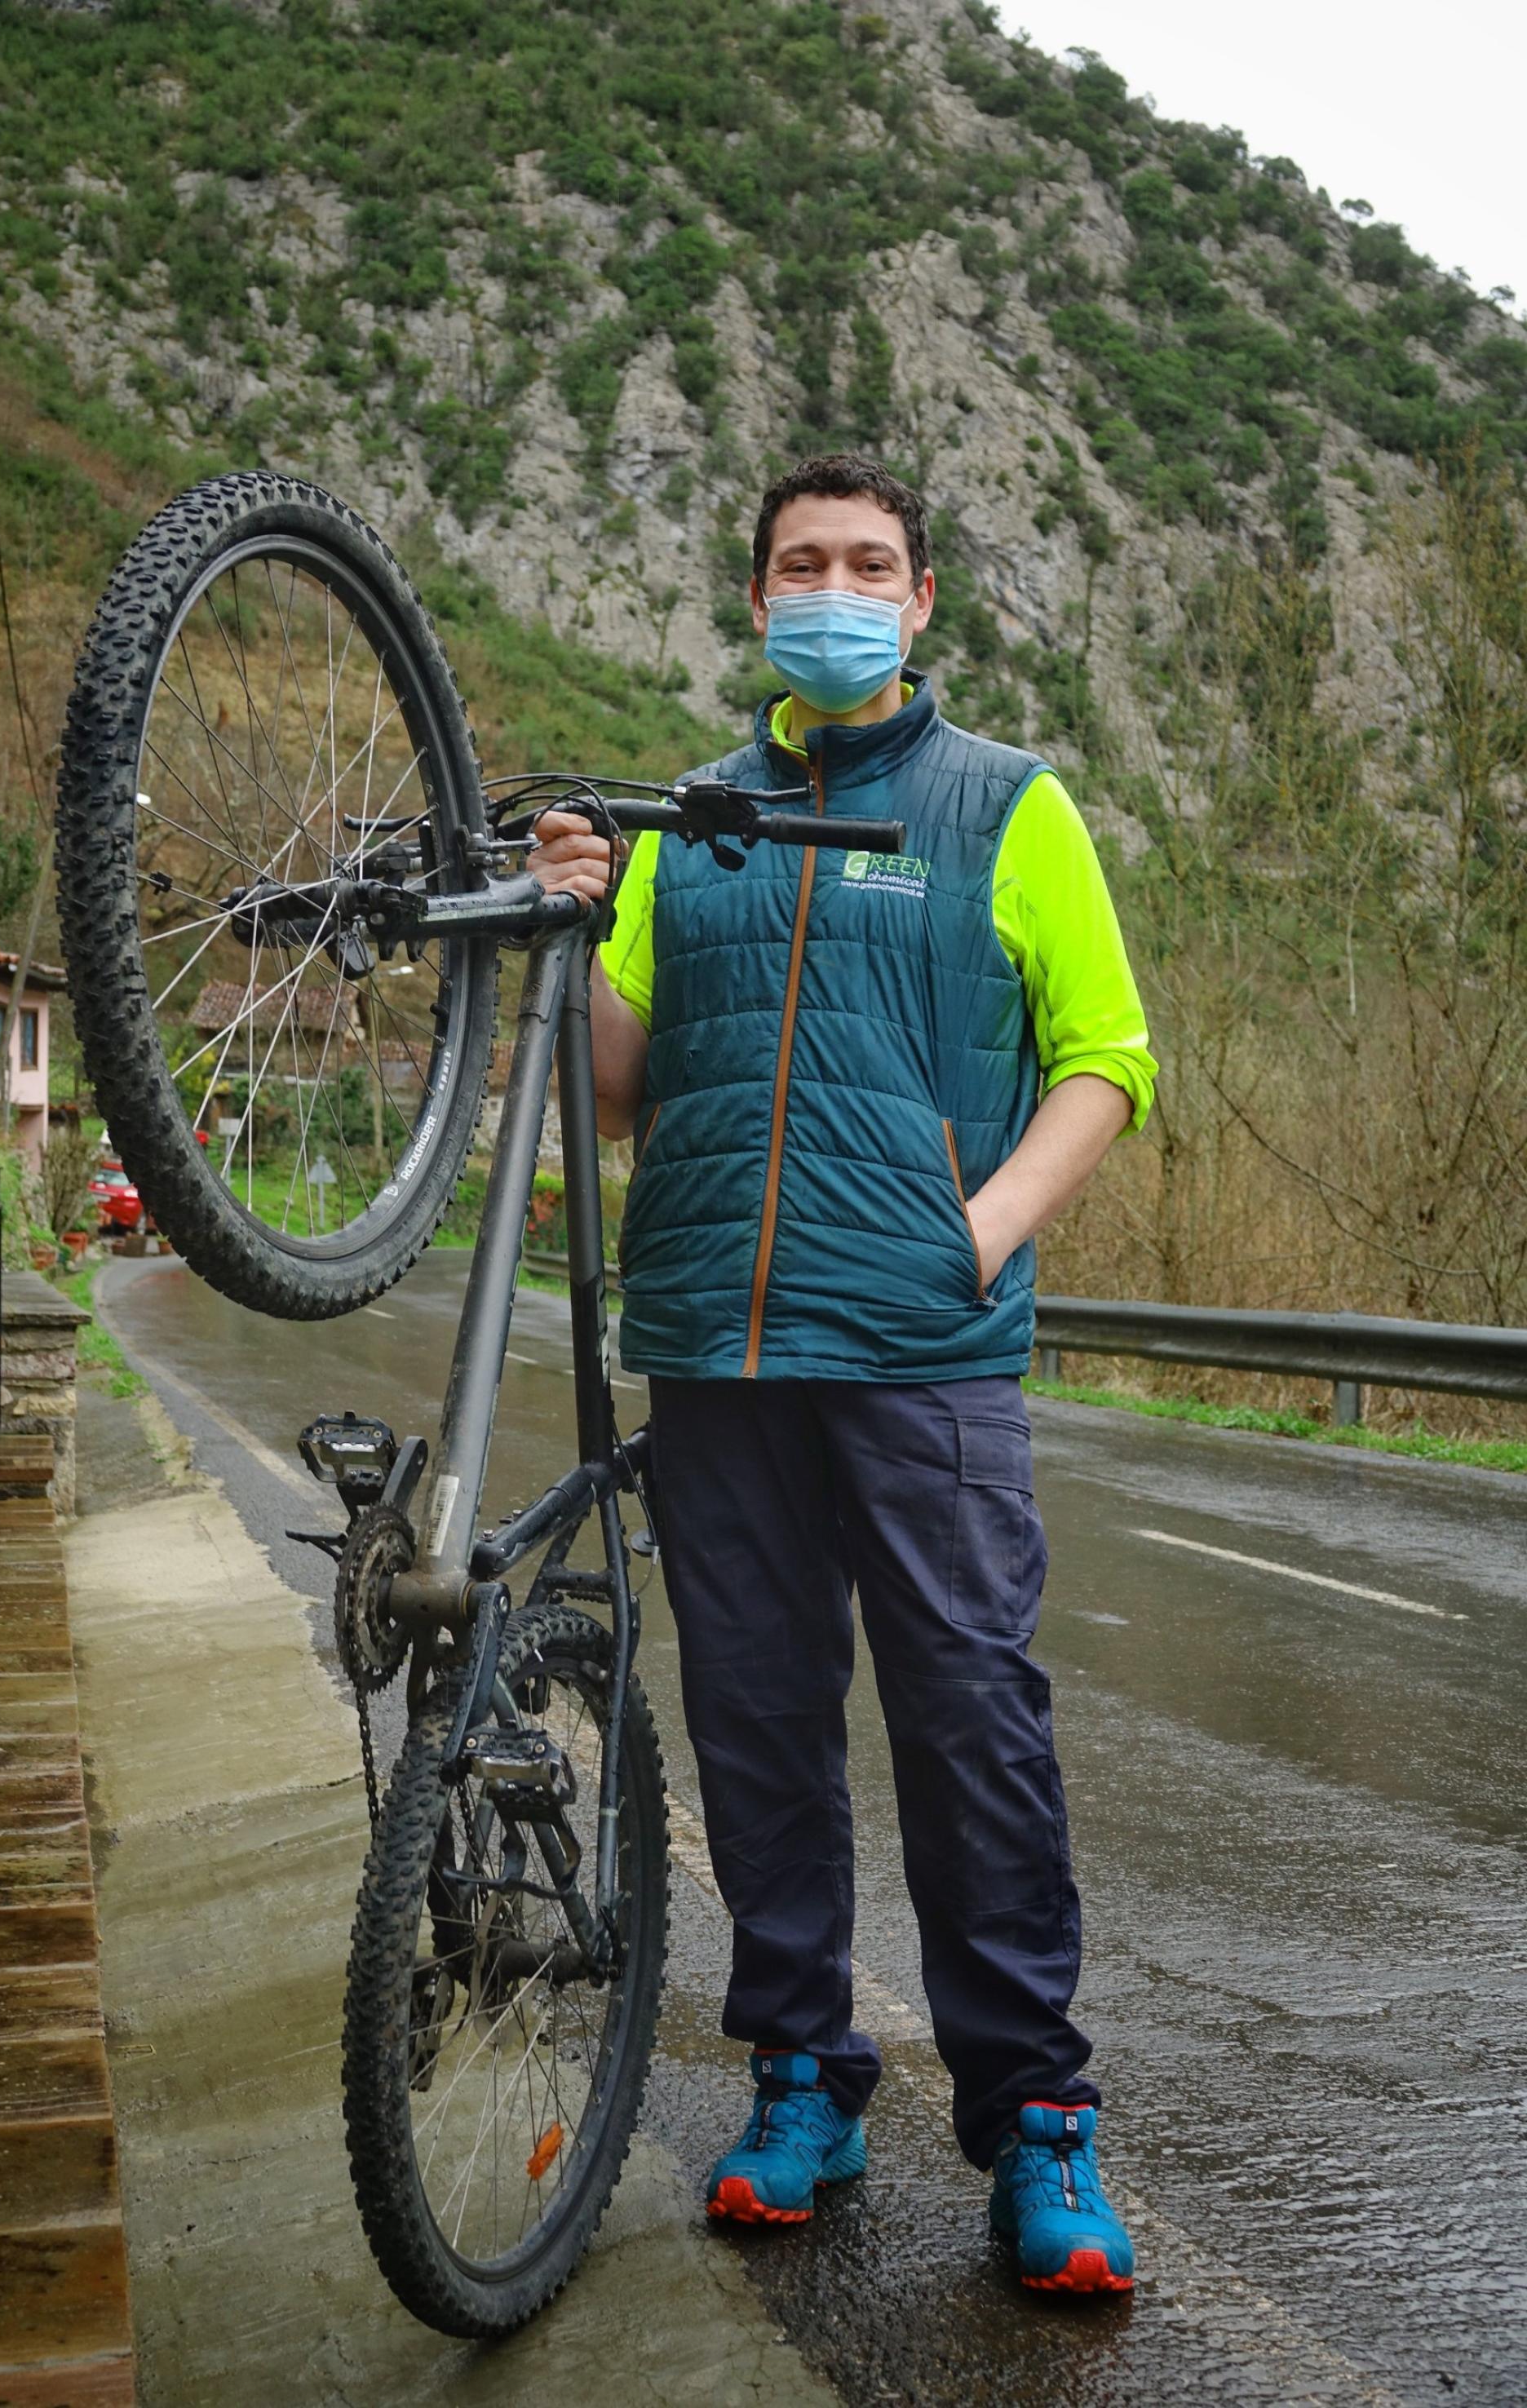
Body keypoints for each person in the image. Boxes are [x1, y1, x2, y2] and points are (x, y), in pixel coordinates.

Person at [530, 453, 1156, 2295]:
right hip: (715, 1344)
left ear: (921, 600)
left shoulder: (1009, 807)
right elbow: (618, 1082)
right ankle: (801, 2078)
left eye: (868, 564)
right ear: (755, 602)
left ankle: (1039, 2125)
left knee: (972, 1726)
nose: (834, 588)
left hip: (923, 1349)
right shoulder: (691, 813)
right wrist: (574, 919)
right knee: (760, 1732)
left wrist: (976, 1235)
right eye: (801, 563)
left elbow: (1106, 1056)